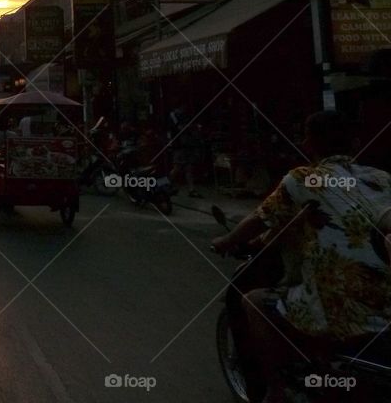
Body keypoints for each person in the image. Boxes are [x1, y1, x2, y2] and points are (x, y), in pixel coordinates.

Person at [212, 111, 391, 403]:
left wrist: (226, 240)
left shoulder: (302, 180)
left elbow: (261, 218)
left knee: (254, 302)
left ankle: (276, 391)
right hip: (384, 304)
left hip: (338, 309)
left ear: (310, 143)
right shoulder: (381, 179)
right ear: (354, 143)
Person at [167, 106, 202, 197]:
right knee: (177, 168)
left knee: (189, 168)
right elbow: (180, 128)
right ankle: (165, 185)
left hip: (187, 145)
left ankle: (191, 190)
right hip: (179, 146)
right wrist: (192, 127)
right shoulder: (173, 116)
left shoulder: (184, 116)